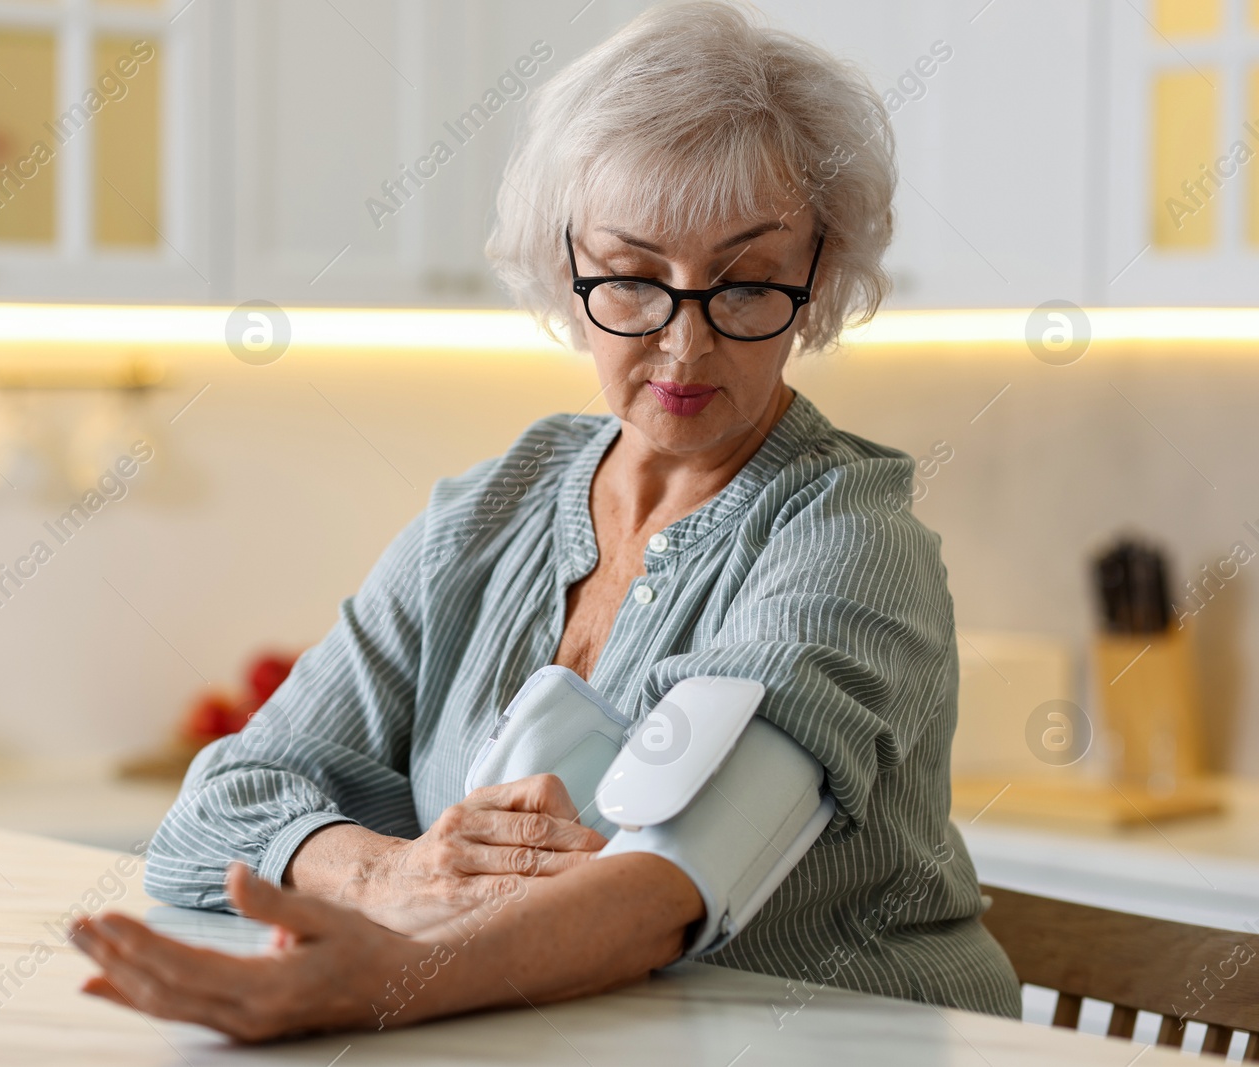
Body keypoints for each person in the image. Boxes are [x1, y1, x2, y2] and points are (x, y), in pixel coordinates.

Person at [72, 0, 1022, 1040]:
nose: (682, 344)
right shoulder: (484, 511)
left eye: (746, 284)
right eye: (633, 276)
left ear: (820, 276)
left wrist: (378, 981)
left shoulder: (847, 538)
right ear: (565, 268)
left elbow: (667, 886)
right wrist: (388, 873)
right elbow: (213, 810)